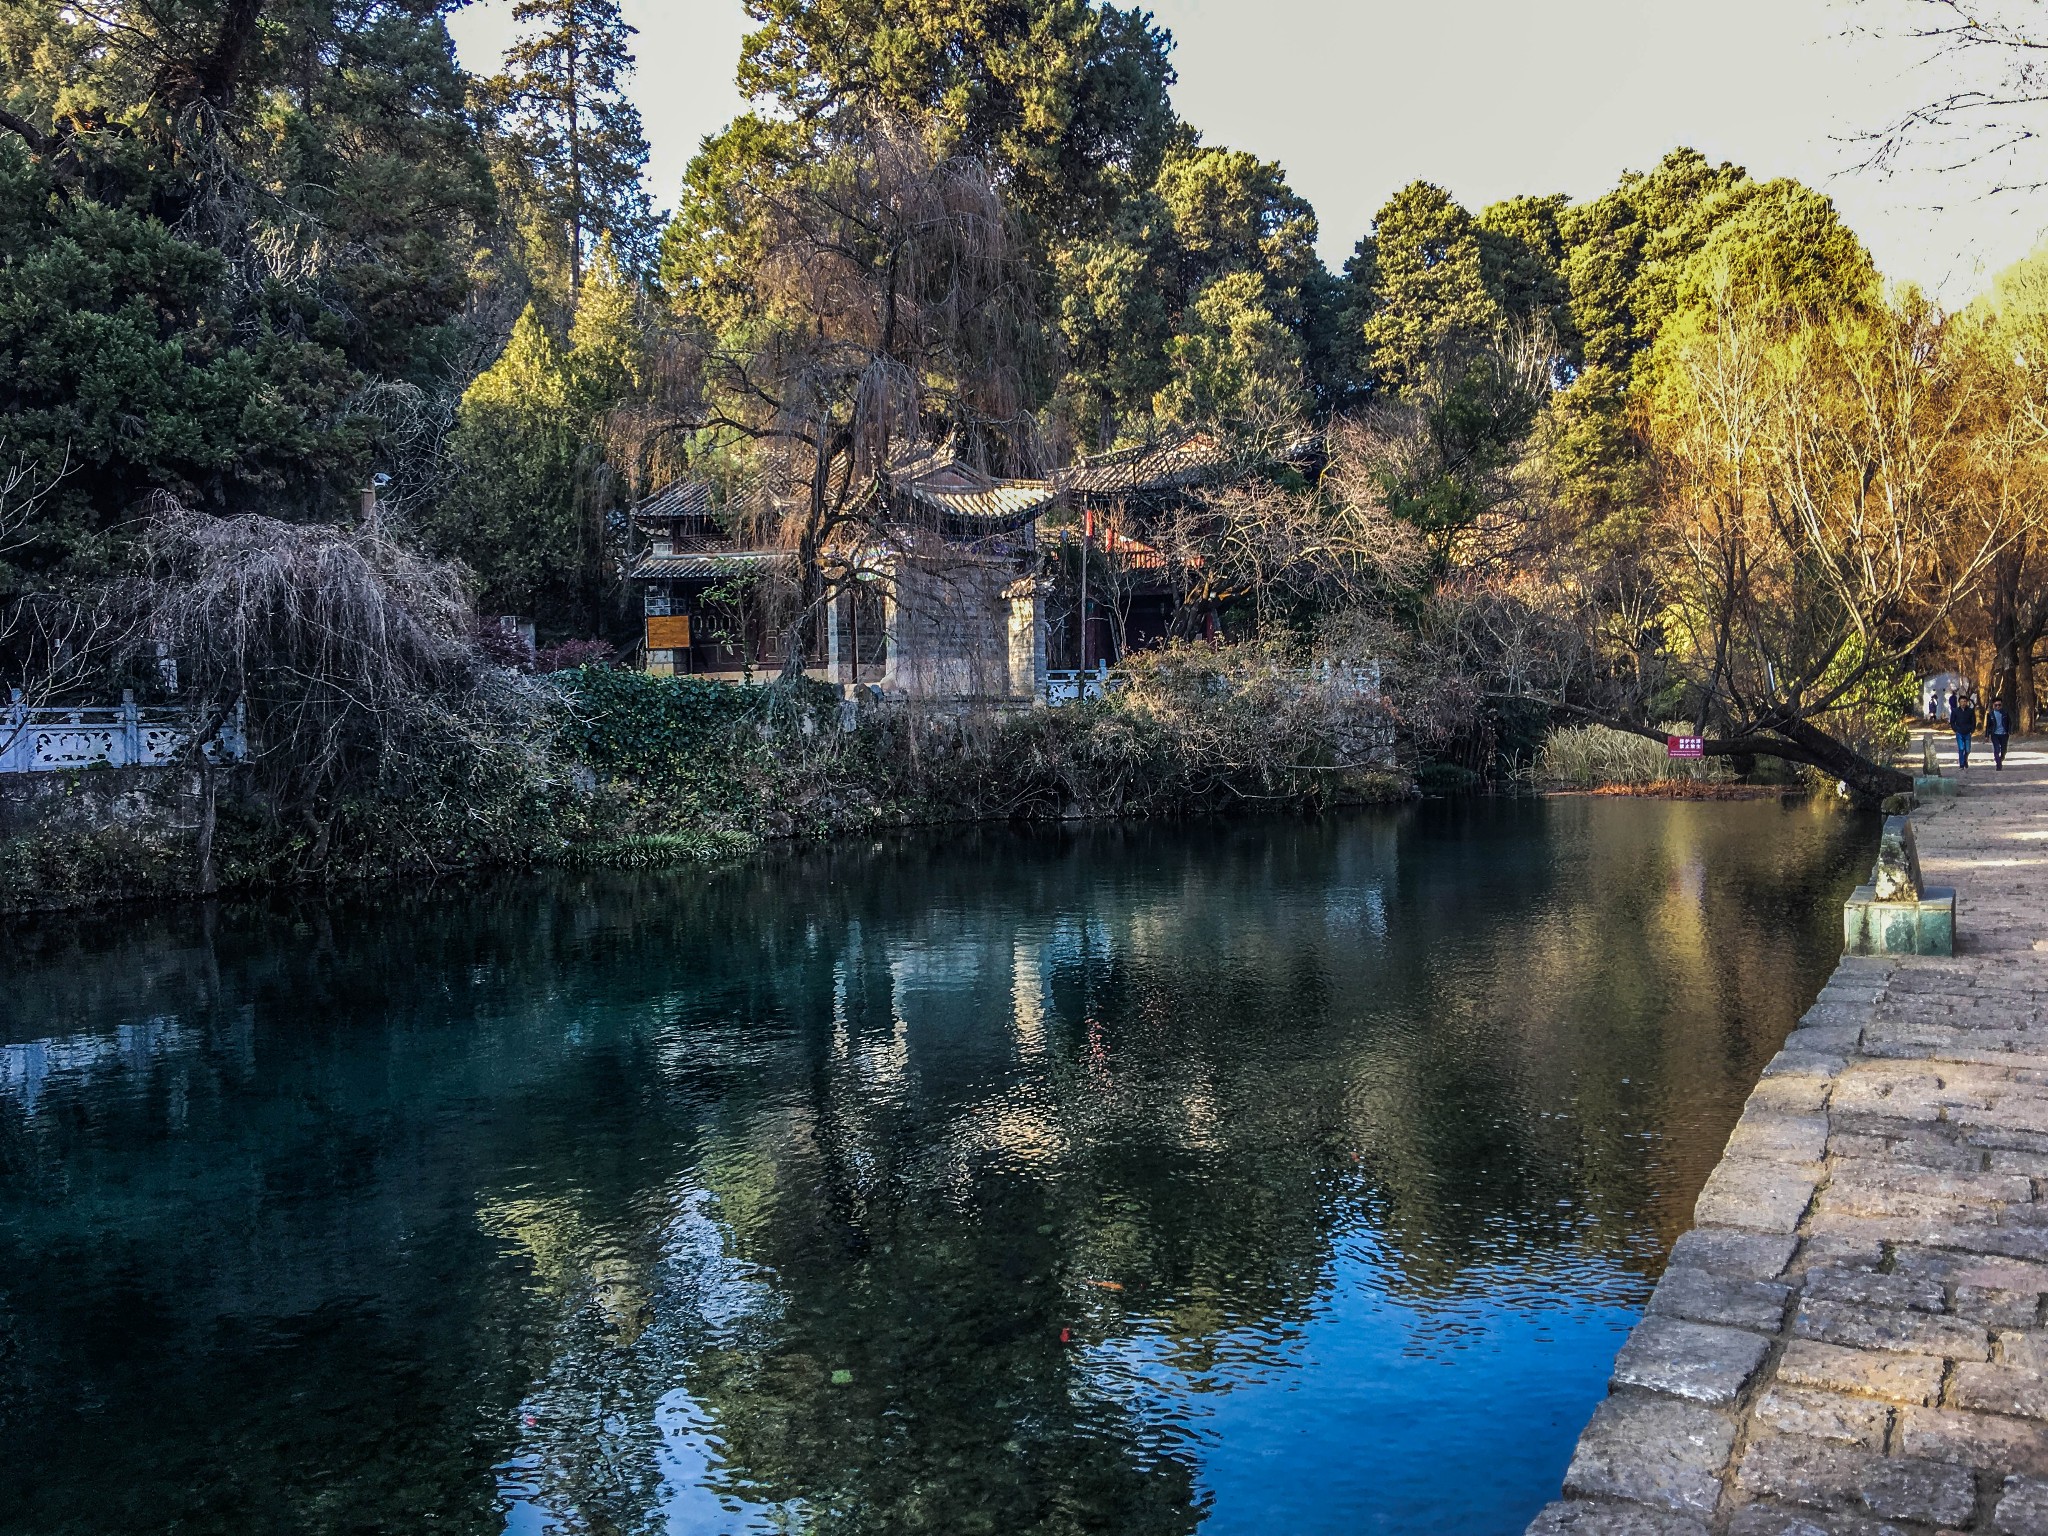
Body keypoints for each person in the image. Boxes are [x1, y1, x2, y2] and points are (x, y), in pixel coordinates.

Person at [1953, 694, 1979, 770]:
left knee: (1967, 749)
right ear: (1959, 702)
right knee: (1961, 748)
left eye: (1965, 701)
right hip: (1959, 732)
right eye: (1961, 701)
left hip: (1968, 732)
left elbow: (1973, 722)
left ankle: (1965, 759)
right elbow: (1952, 722)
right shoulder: (1955, 711)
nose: (1963, 703)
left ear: (1967, 702)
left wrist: (1972, 730)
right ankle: (1961, 765)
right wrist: (1955, 729)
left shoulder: (1970, 711)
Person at [1989, 699, 2014, 770]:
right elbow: (1988, 725)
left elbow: (2010, 722)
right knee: (1996, 749)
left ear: (2001, 705)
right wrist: (1987, 735)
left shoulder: (2005, 713)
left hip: (2004, 734)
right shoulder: (1990, 714)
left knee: (2004, 750)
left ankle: (2001, 758)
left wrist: (2009, 730)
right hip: (1995, 734)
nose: (1997, 706)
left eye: (1999, 705)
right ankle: (1998, 764)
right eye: (1996, 705)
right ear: (1993, 705)